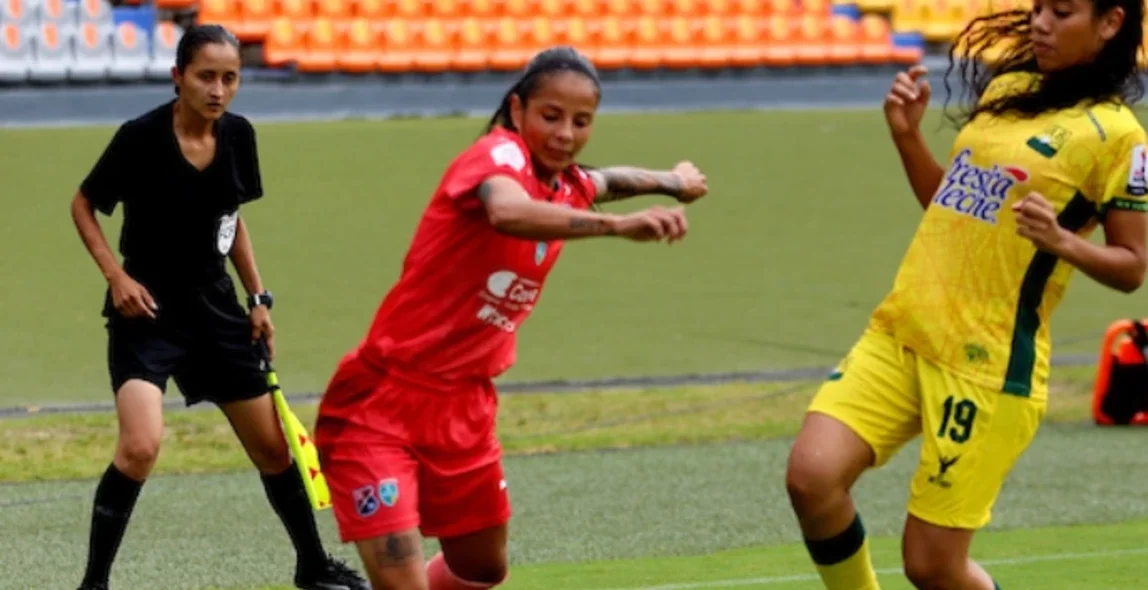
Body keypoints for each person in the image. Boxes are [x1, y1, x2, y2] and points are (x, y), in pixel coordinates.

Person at [784, 0, 1148, 587]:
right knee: (811, 477)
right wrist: (907, 138)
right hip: (905, 328)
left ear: (1109, 24)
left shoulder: (1117, 135)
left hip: (987, 365)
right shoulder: (1010, 86)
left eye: (1061, 12)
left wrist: (1062, 241)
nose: (1040, 22)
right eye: (1037, 8)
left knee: (932, 566)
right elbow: (955, 206)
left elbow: (1132, 266)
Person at [311, 45, 709, 590]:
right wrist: (618, 229)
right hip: (382, 403)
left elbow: (608, 179)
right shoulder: (497, 156)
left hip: (466, 407)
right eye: (551, 116)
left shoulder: (567, 182)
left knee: (482, 569)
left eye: (581, 121)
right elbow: (506, 211)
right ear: (518, 110)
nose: (565, 133)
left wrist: (672, 179)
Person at [69, 24, 368, 590]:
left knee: (274, 450)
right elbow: (84, 204)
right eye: (206, 76)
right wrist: (116, 276)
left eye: (229, 78)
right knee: (140, 447)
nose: (218, 89)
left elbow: (232, 218)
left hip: (216, 308)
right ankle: (94, 584)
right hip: (147, 312)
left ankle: (312, 565)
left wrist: (257, 298)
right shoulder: (139, 137)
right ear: (178, 76)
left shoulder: (238, 136)